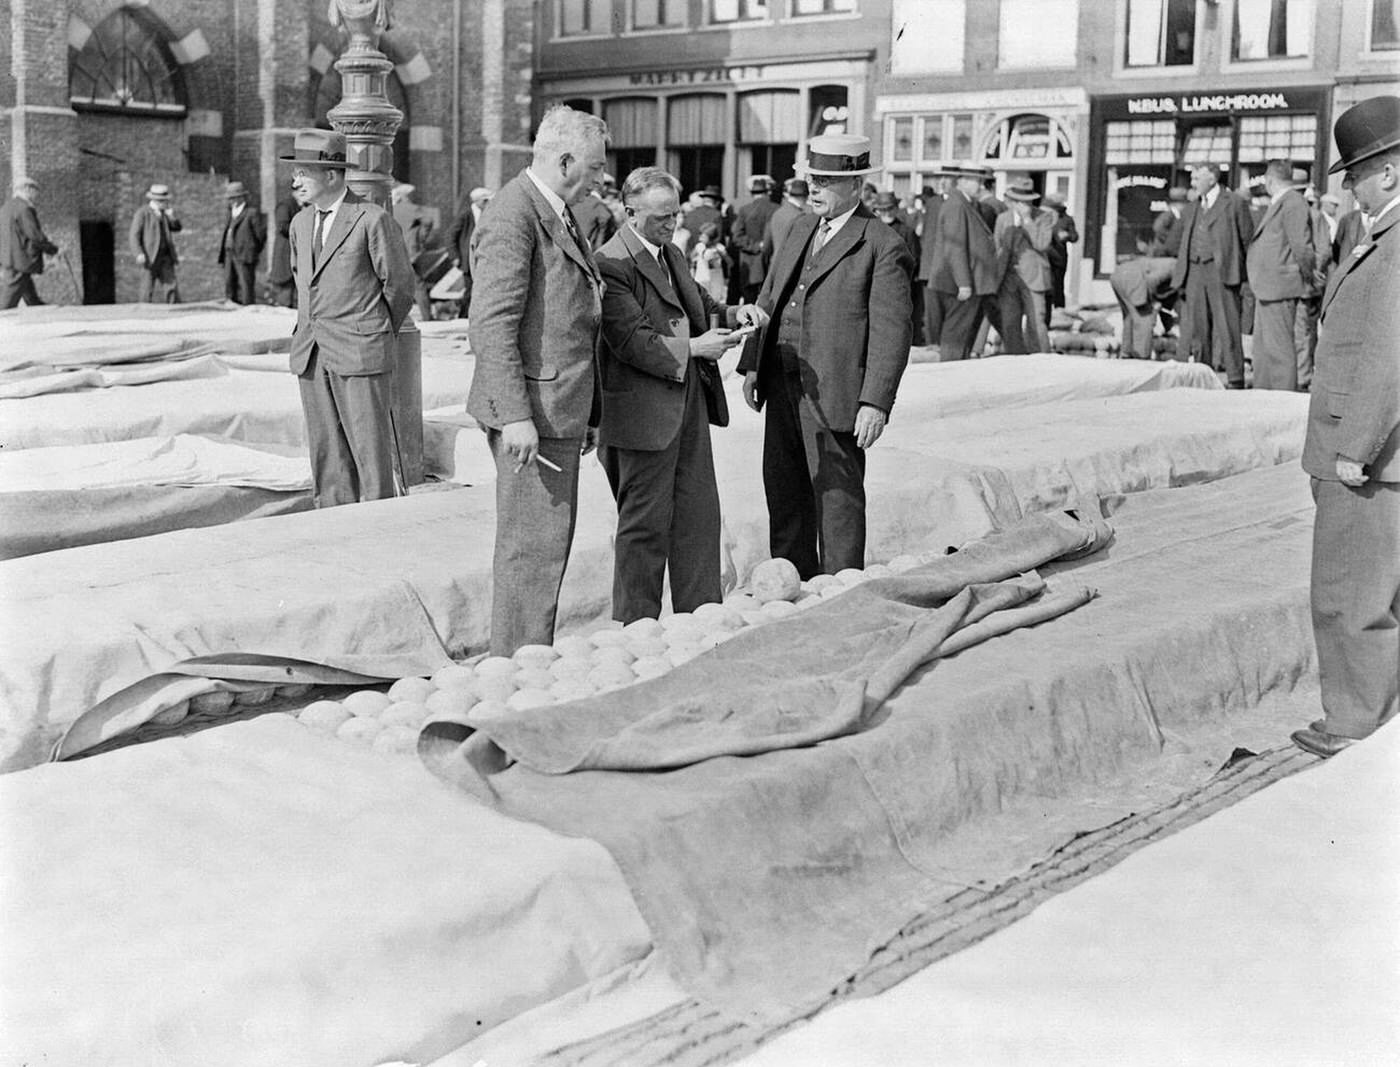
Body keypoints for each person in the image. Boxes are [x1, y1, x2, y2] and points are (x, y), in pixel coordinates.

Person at [466, 104, 610, 656]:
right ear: (566, 159)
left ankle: (525, 658)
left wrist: (587, 410)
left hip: (559, 406)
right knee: (532, 550)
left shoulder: (555, 209)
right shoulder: (514, 214)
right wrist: (516, 416)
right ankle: (516, 668)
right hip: (533, 413)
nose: (601, 178)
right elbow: (493, 324)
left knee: (547, 545)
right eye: (596, 168)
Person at [594, 166, 767, 622]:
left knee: (697, 518)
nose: (671, 225)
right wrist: (693, 348)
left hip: (686, 402)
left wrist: (734, 310)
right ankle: (635, 628)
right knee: (645, 529)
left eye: (674, 215)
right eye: (659, 218)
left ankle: (701, 620)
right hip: (642, 416)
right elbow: (631, 340)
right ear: (630, 213)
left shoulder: (669, 252)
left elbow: (699, 305)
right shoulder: (611, 264)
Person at [737, 133, 913, 578]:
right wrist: (754, 364)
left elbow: (893, 333)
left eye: (828, 181)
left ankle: (839, 591)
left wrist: (875, 402)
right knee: (785, 491)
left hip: (837, 393)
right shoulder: (800, 227)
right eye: (813, 179)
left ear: (857, 186)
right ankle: (793, 587)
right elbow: (770, 295)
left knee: (837, 499)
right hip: (781, 383)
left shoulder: (881, 243)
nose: (815, 188)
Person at [1290, 95, 1400, 759]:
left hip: (1368, 453)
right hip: (1381, 450)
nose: (1349, 187)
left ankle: (1356, 722)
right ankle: (1379, 709)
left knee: (1349, 591)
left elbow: (1389, 356)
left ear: (1389, 172)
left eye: (1355, 174)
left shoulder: (1392, 246)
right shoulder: (1381, 239)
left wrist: (1355, 448)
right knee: (1381, 585)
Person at [281, 129, 416, 508]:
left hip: (360, 353)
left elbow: (400, 287)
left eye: (303, 173)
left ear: (331, 175)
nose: (295, 182)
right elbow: (303, 284)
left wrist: (370, 331)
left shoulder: (372, 220)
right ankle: (334, 530)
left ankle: (376, 532)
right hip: (312, 354)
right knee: (327, 457)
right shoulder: (300, 225)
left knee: (370, 455)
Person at [1170, 163, 1253, 387]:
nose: (1193, 182)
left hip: (1223, 272)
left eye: (1198, 177)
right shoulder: (1194, 206)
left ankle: (1235, 379)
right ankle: (1201, 376)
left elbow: (1247, 240)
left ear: (1213, 178)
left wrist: (1244, 276)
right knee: (1199, 329)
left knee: (1228, 327)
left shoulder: (1234, 202)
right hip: (1195, 271)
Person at [1245, 160, 1316, 392]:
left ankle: (1283, 398)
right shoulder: (1284, 202)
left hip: (1280, 286)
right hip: (1268, 286)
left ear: (1270, 179)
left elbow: (1302, 247)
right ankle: (1263, 395)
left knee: (1279, 350)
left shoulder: (1293, 202)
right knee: (1263, 351)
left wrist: (1309, 276)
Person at [930, 165, 1002, 361]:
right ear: (962, 181)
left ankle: (956, 373)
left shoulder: (965, 204)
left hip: (970, 281)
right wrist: (963, 283)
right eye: (975, 181)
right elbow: (955, 248)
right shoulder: (957, 205)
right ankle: (950, 375)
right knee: (956, 335)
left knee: (964, 334)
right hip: (960, 284)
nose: (980, 186)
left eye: (980, 181)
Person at [993, 178, 1054, 353]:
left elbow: (1042, 244)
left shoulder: (1044, 217)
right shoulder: (1002, 219)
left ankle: (1041, 359)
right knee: (1010, 324)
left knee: (1036, 324)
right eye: (1018, 201)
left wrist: (1028, 221)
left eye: (1026, 201)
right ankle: (1015, 361)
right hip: (1008, 278)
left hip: (1034, 278)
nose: (1022, 205)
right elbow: (998, 248)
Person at [872, 191, 923, 345]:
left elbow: (914, 259)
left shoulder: (906, 231)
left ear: (896, 209)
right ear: (877, 211)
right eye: (883, 209)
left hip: (900, 286)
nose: (887, 212)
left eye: (890, 208)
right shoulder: (871, 230)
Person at [0, 176, 59, 309]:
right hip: (20, 261)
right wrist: (53, 250)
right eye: (35, 191)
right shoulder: (24, 208)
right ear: (27, 189)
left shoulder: (6, 208)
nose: (36, 195)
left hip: (9, 259)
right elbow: (34, 235)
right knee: (5, 305)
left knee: (32, 300)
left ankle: (41, 314)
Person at [1110, 252, 1176, 360]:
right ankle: (1142, 358)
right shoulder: (1174, 267)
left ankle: (1126, 353)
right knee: (1145, 319)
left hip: (1119, 275)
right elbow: (1153, 280)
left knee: (1130, 318)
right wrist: (1153, 303)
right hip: (1133, 277)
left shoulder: (1169, 264)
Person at [129, 183, 182, 303]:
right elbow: (134, 235)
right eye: (162, 201)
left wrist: (172, 216)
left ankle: (176, 313)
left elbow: (177, 228)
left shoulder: (165, 214)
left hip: (166, 256)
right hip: (150, 257)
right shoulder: (143, 213)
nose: (164, 203)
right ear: (155, 200)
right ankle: (145, 314)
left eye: (165, 201)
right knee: (146, 289)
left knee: (171, 287)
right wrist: (138, 253)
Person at [391, 183, 438, 320]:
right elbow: (428, 220)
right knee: (419, 286)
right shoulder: (411, 209)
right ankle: (427, 317)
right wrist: (421, 238)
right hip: (410, 253)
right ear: (406, 196)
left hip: (394, 252)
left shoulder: (391, 209)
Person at [918, 170, 954, 348]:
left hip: (952, 268)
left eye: (948, 178)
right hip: (932, 267)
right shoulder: (933, 203)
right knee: (932, 313)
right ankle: (934, 345)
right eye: (942, 178)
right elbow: (927, 235)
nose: (943, 181)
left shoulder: (962, 203)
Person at [730, 174, 779, 303]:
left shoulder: (744, 210)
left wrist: (756, 246)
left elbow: (737, 237)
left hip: (749, 261)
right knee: (769, 300)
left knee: (749, 301)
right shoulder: (776, 209)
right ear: (768, 192)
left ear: (752, 193)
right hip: (771, 261)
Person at [217, 181, 267, 305]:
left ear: (242, 197)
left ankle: (248, 309)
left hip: (245, 255)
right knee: (229, 282)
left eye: (234, 197)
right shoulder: (230, 212)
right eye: (230, 198)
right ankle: (231, 307)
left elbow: (260, 236)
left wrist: (252, 250)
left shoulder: (251, 213)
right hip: (229, 253)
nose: (231, 201)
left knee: (246, 285)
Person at [445, 185, 492, 319]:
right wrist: (454, 256)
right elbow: (450, 235)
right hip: (468, 260)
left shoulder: (488, 213)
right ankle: (463, 317)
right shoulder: (465, 215)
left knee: (480, 291)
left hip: (483, 259)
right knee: (470, 291)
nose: (488, 204)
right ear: (477, 202)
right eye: (485, 201)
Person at [1043, 191, 1078, 326]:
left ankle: (1059, 313)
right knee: (1047, 286)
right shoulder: (1044, 217)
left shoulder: (1067, 219)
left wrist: (1067, 235)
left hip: (1059, 257)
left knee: (1058, 285)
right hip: (1045, 256)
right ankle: (1047, 315)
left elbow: (1075, 237)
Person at [268, 190, 305, 308]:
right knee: (285, 295)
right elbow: (282, 226)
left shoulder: (303, 206)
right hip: (285, 254)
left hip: (296, 256)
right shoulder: (285, 205)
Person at [763, 177, 808, 266]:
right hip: (791, 266)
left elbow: (766, 245)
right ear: (805, 197)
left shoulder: (777, 213)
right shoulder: (800, 217)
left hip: (775, 264)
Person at [688, 222, 730, 301]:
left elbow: (730, 262)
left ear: (711, 237)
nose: (700, 239)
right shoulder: (700, 246)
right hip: (702, 278)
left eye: (703, 237)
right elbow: (704, 256)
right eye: (700, 236)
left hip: (716, 279)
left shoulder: (720, 247)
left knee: (715, 301)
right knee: (702, 301)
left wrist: (723, 254)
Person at [573, 183, 618, 250]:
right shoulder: (600, 207)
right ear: (605, 188)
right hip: (589, 252)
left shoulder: (575, 202)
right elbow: (606, 219)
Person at [1149, 186, 1189, 257]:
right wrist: (1169, 237)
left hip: (1175, 253)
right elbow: (1157, 227)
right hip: (1164, 253)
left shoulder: (1179, 213)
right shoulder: (1171, 213)